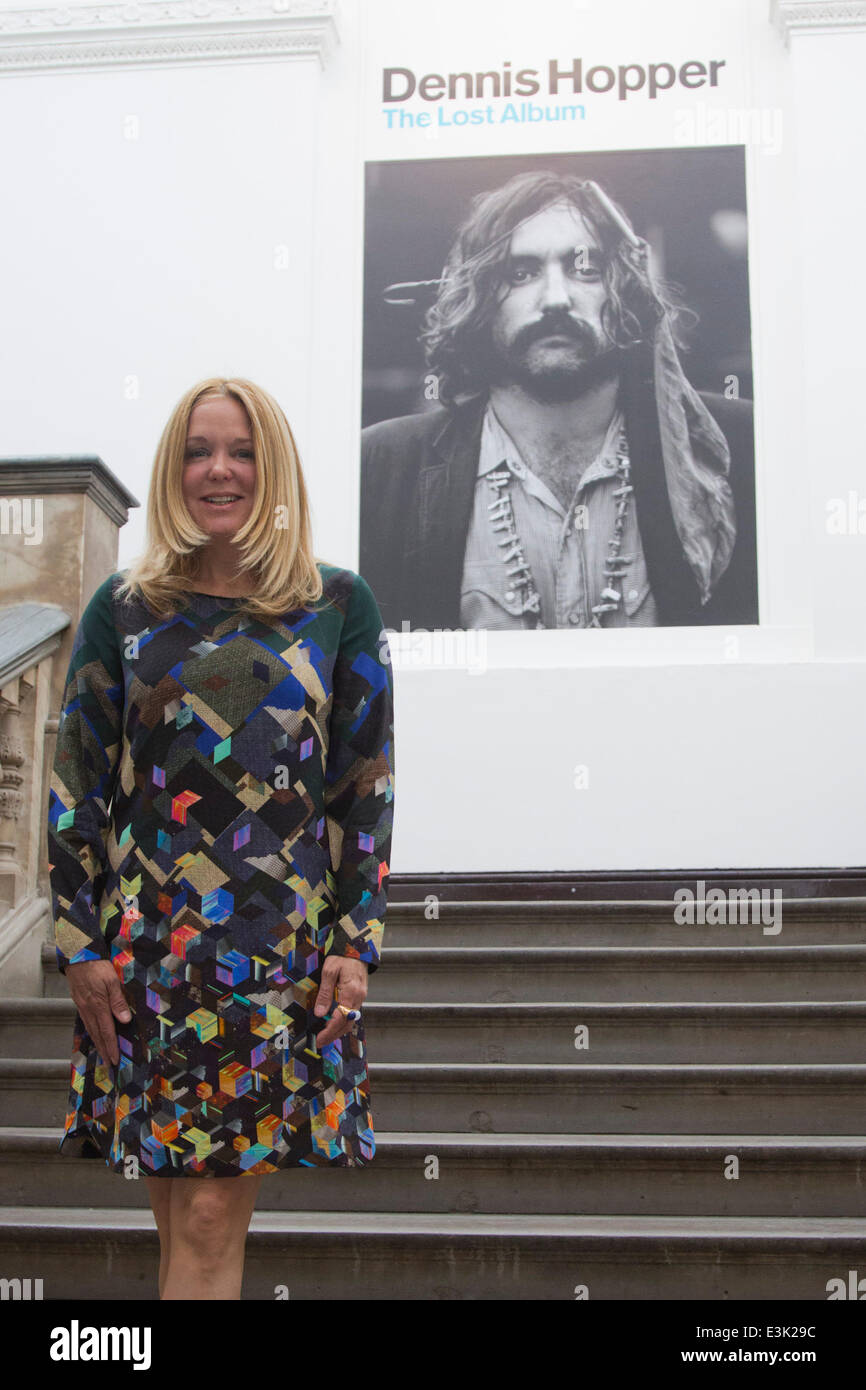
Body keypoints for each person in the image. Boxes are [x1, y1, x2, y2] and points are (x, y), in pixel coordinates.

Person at [46, 377, 396, 1300]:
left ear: (271, 466)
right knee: (176, 1217)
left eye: (240, 452)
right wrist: (80, 944)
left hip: (272, 955)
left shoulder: (337, 607)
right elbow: (76, 782)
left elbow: (364, 790)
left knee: (204, 1218)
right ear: (175, 469)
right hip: (147, 956)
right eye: (199, 452)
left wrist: (356, 942)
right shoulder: (124, 613)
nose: (219, 471)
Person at [360, 169, 758, 632]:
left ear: (624, 288)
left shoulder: (741, 448)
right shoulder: (383, 469)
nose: (555, 299)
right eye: (521, 273)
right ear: (479, 297)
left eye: (585, 268)